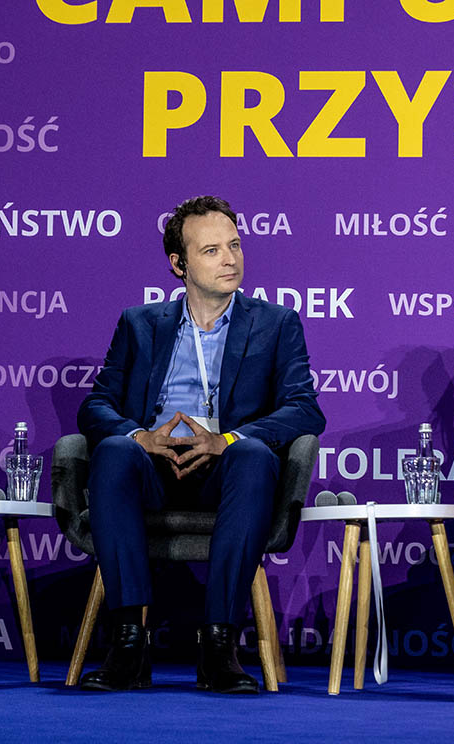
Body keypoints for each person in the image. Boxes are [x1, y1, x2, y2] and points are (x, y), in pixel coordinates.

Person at [75, 195, 325, 694]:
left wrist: (226, 440)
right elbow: (96, 405)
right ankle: (128, 643)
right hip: (153, 468)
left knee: (252, 454)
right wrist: (140, 437)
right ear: (179, 264)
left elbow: (304, 408)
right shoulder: (139, 324)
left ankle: (219, 647)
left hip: (226, 473)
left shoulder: (276, 323)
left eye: (234, 245)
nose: (230, 259)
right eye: (211, 250)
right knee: (115, 450)